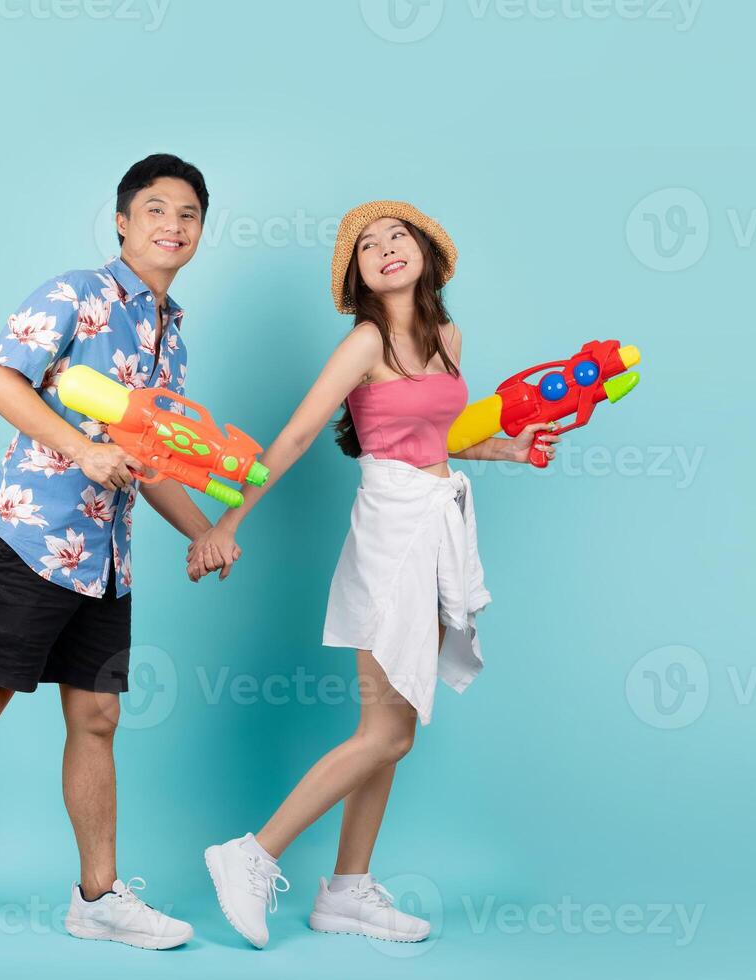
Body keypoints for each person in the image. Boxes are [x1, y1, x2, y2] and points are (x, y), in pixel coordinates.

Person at [0, 154, 234, 951]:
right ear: (121, 219)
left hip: (107, 558)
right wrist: (81, 447)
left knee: (99, 718)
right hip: (29, 539)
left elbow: (151, 464)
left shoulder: (171, 341)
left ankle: (98, 897)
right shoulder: (77, 291)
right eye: (155, 210)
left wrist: (204, 529)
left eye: (188, 215)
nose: (172, 226)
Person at [188, 201, 559, 948]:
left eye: (398, 236)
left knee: (394, 729)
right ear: (357, 276)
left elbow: (440, 436)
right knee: (385, 732)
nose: (386, 248)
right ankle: (252, 854)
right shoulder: (365, 341)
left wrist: (506, 449)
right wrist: (227, 520)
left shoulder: (447, 337)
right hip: (391, 531)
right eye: (368, 246)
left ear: (425, 252)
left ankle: (349, 890)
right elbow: (295, 434)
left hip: (434, 523)